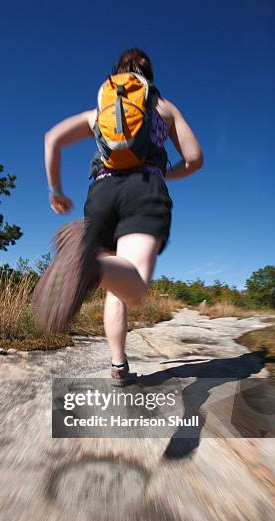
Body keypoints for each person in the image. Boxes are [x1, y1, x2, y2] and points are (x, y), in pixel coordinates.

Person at [34, 48, 203, 384]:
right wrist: (164, 173)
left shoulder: (100, 111)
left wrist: (56, 190)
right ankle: (90, 265)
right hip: (144, 190)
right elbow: (195, 158)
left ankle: (118, 366)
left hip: (100, 194)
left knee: (116, 282)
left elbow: (51, 138)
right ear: (148, 75)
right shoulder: (163, 108)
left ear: (116, 74)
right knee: (134, 287)